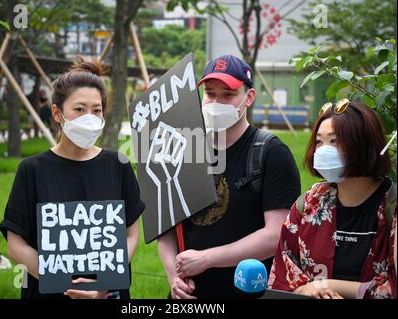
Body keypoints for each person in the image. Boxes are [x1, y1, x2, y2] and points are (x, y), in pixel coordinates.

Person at [0, 58, 145, 299]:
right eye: (79, 109)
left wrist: (102, 287)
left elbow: (130, 236)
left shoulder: (119, 165)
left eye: (96, 110)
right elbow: (16, 246)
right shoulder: (31, 170)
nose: (89, 117)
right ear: (57, 113)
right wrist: (67, 285)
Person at [157, 54, 301, 299]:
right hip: (189, 294)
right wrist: (174, 276)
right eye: (211, 94)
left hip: (248, 291)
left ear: (249, 97)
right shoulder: (183, 149)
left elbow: (276, 234)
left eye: (228, 94)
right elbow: (166, 228)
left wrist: (205, 259)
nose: (217, 102)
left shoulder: (271, 153)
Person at [268, 99, 397, 299]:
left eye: (334, 141)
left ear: (364, 144)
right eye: (319, 141)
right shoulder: (310, 203)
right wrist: (306, 289)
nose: (323, 150)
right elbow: (284, 271)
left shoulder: (391, 207)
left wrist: (324, 284)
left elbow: (392, 287)